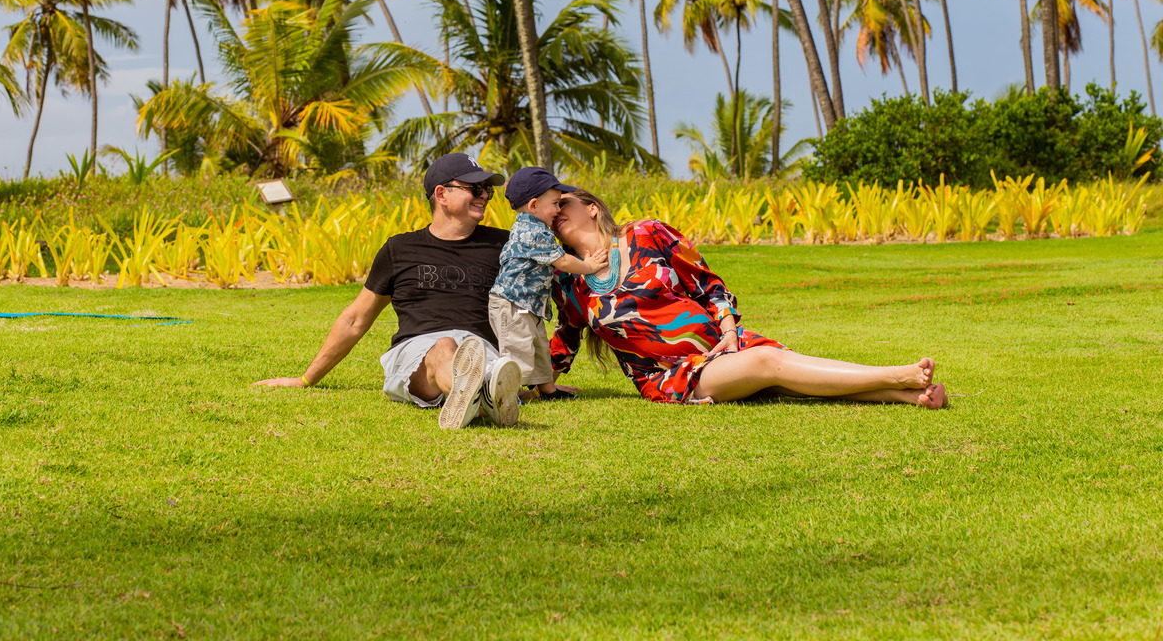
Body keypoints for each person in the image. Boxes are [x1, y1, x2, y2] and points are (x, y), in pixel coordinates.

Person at [549, 189, 948, 408]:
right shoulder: (569, 282)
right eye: (551, 213)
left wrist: (728, 330)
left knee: (789, 373)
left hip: (722, 344)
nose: (556, 213)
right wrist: (535, 384)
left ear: (592, 207)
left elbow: (709, 285)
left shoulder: (648, 234)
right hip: (672, 375)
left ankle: (908, 395)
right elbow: (562, 339)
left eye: (562, 203)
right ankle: (900, 375)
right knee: (769, 365)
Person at [253, 153, 523, 430]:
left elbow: (536, 307)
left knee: (471, 353)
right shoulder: (400, 249)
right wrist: (306, 379)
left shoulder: (506, 245)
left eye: (487, 190)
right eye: (475, 189)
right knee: (444, 347)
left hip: (480, 349)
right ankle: (484, 396)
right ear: (441, 194)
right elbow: (355, 319)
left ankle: (474, 395)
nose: (484, 196)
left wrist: (545, 383)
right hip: (418, 351)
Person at [488, 167, 608, 401]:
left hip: (527, 305)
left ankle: (548, 390)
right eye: (554, 203)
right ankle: (506, 395)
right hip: (513, 305)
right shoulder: (533, 232)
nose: (558, 209)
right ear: (534, 206)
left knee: (540, 348)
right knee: (517, 350)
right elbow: (562, 261)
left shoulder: (535, 228)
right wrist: (590, 266)